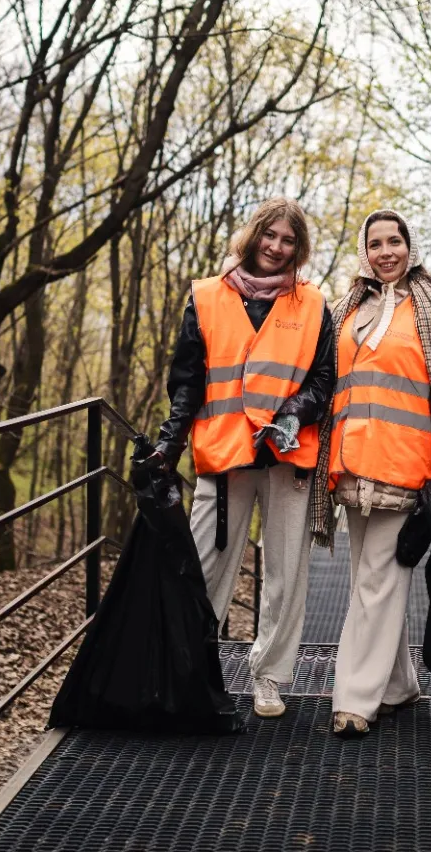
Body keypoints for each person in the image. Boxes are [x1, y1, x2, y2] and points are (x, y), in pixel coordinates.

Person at [154, 197, 335, 719]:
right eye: (270, 236)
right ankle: (192, 673)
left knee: (284, 572)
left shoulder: (313, 303)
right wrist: (170, 443)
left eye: (288, 241)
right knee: (206, 569)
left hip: (286, 455)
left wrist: (297, 411)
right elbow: (186, 382)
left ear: (298, 249)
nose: (276, 248)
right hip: (223, 455)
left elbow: (325, 377)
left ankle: (269, 679)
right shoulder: (206, 296)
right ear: (253, 235)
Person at [307, 210, 431, 738]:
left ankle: (355, 700)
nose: (387, 252)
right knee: (372, 582)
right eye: (377, 243)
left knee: (377, 584)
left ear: (411, 246)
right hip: (349, 467)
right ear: (365, 250)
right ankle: (400, 684)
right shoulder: (345, 311)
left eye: (396, 241)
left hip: (406, 470)